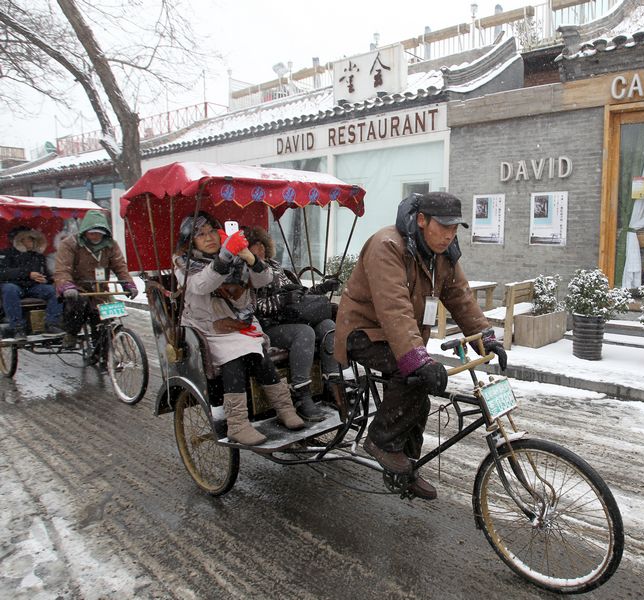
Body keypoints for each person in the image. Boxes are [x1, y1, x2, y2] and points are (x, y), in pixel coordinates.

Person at [334, 192, 507, 500]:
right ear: (422, 220)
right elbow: (393, 308)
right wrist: (418, 360)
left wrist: (486, 337)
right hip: (365, 331)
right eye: (443, 227)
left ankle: (405, 469)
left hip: (400, 336)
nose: (449, 235)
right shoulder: (387, 245)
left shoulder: (442, 253)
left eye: (455, 228)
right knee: (413, 376)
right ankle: (381, 441)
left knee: (420, 399)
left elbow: (460, 296)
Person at [174, 212, 304, 446]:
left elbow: (264, 280)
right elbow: (203, 284)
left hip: (240, 323)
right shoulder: (184, 264)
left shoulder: (234, 255)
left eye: (212, 231)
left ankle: (285, 408)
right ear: (190, 241)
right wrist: (225, 255)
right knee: (234, 360)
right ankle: (237, 424)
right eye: (201, 235)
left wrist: (250, 258)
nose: (209, 238)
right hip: (208, 328)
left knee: (261, 358)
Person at [245, 227, 342, 422]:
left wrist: (323, 287)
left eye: (262, 244)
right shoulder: (245, 272)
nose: (260, 249)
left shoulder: (276, 266)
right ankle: (301, 393)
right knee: (304, 333)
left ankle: (332, 384)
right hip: (268, 326)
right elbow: (253, 307)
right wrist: (283, 301)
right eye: (254, 246)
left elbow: (301, 296)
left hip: (292, 318)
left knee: (328, 325)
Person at [54, 210, 138, 350]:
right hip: (77, 288)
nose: (95, 236)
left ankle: (105, 354)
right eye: (92, 232)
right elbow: (63, 269)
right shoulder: (70, 244)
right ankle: (71, 333)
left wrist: (128, 284)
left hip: (100, 289)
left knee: (104, 320)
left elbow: (120, 266)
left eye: (99, 232)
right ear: (85, 231)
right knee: (79, 306)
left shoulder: (110, 245)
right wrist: (67, 286)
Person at [0, 227, 65, 340]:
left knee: (55, 290)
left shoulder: (38, 256)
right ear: (19, 241)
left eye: (32, 239)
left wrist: (46, 280)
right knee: (9, 289)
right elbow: (3, 273)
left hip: (34, 287)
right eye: (28, 239)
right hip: (14, 286)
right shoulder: (6, 254)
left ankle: (52, 324)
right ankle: (17, 327)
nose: (31, 242)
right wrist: (28, 274)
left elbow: (45, 274)